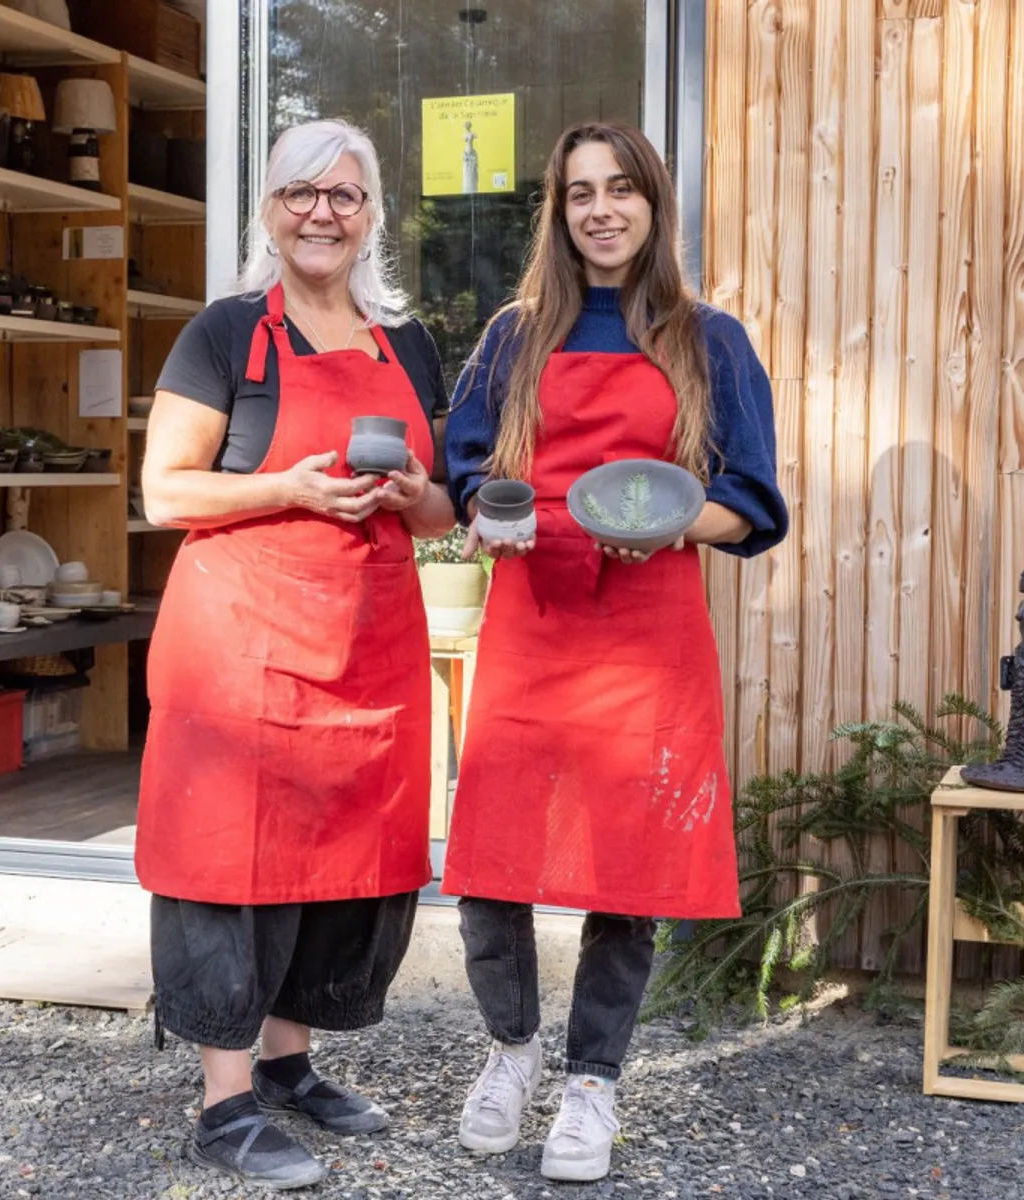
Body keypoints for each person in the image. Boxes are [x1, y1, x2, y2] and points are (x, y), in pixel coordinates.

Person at [442, 120, 788, 1184]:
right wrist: (488, 512)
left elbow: (753, 503)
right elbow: (464, 468)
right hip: (533, 616)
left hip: (649, 626)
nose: (601, 209)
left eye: (621, 189)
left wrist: (667, 518)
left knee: (626, 869)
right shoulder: (515, 336)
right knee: (492, 861)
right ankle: (511, 1050)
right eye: (580, 192)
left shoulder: (707, 339)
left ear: (653, 204)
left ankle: (593, 1081)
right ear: (559, 209)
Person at [134, 118, 455, 1191]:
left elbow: (443, 511)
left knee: (334, 861)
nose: (323, 212)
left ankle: (287, 1068)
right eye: (300, 193)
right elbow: (165, 492)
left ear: (372, 221)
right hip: (239, 650)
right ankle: (222, 1108)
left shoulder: (408, 343)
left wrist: (416, 497)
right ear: (268, 211)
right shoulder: (224, 336)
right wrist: (288, 487)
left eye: (346, 195)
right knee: (235, 862)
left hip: (366, 646)